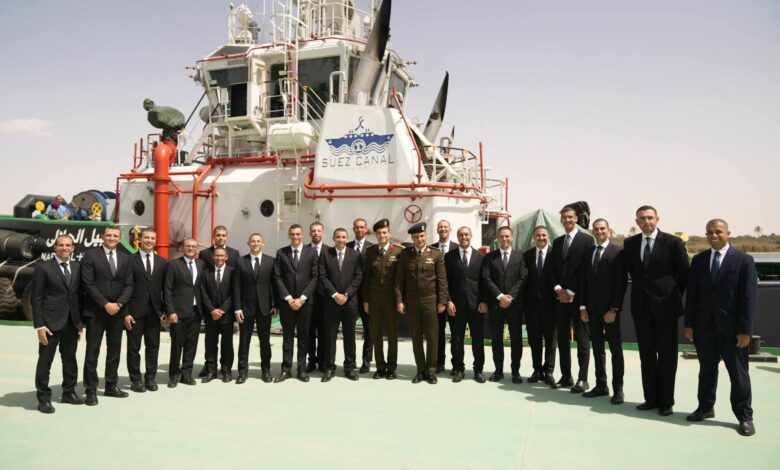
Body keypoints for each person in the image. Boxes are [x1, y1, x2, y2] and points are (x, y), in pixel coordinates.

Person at [684, 219, 757, 436]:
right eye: (709, 232)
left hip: (734, 331)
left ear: (728, 233)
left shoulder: (743, 260)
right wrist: (689, 324)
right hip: (704, 328)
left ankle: (744, 417)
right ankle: (705, 407)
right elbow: (692, 295)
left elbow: (749, 298)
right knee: (706, 371)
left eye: (718, 231)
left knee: (738, 374)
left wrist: (745, 330)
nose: (713, 235)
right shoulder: (699, 260)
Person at [623, 205, 688, 416]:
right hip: (641, 308)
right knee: (647, 355)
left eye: (650, 217)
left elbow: (684, 275)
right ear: (637, 222)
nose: (646, 221)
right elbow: (633, 273)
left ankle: (666, 401)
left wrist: (669, 296)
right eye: (642, 218)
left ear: (657, 219)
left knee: (667, 355)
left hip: (666, 308)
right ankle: (650, 398)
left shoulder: (673, 242)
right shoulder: (630, 244)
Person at [81, 226, 134, 405]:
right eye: (109, 235)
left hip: (117, 312)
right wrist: (105, 304)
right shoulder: (90, 256)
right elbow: (88, 283)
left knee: (114, 350)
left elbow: (129, 285)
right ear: (102, 237)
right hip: (96, 311)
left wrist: (119, 304)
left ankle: (111, 385)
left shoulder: (126, 258)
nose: (112, 238)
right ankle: (91, 389)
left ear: (120, 238)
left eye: (115, 236)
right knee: (92, 351)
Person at [32, 234, 84, 413]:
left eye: (68, 245)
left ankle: (69, 392)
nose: (64, 248)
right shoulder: (43, 267)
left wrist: (79, 323)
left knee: (70, 360)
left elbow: (78, 297)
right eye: (61, 245)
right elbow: (36, 298)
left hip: (71, 323)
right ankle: (43, 398)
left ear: (73, 248)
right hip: (49, 324)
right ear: (55, 247)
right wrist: (40, 326)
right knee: (45, 361)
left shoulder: (77, 267)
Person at [579, 219, 628, 404]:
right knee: (598, 349)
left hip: (610, 312)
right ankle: (601, 385)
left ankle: (618, 389)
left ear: (608, 231)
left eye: (602, 229)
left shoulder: (618, 252)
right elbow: (584, 282)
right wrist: (583, 307)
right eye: (596, 229)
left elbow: (621, 283)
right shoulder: (588, 253)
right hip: (592, 311)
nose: (599, 232)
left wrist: (613, 309)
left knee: (616, 350)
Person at [395, 222, 448, 384]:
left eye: (422, 236)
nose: (419, 239)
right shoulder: (405, 255)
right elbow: (399, 281)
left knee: (432, 336)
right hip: (412, 301)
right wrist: (399, 300)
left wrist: (442, 301)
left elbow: (442, 280)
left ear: (426, 236)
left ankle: (431, 371)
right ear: (412, 238)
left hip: (430, 300)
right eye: (416, 237)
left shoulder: (436, 254)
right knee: (416, 336)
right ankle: (420, 370)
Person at [549, 206, 594, 392]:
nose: (567, 220)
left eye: (570, 217)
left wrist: (571, 291)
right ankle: (566, 376)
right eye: (564, 217)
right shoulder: (558, 242)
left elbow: (585, 269)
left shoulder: (587, 240)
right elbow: (552, 268)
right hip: (560, 300)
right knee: (562, 339)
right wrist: (559, 290)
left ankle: (582, 379)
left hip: (579, 298)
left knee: (582, 340)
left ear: (576, 219)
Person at [124, 228, 167, 393]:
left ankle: (150, 378)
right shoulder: (129, 260)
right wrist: (125, 312)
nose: (149, 240)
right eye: (147, 237)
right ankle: (135, 379)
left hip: (155, 312)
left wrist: (164, 310)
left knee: (153, 346)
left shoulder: (162, 262)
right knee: (133, 348)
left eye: (153, 238)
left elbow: (165, 289)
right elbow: (125, 287)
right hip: (134, 312)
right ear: (140, 240)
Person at [482, 226, 527, 383]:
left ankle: (515, 372)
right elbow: (486, 278)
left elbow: (523, 278)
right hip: (496, 305)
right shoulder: (490, 257)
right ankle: (498, 371)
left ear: (512, 237)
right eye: (501, 236)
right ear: (497, 238)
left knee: (516, 339)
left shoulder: (520, 256)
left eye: (507, 236)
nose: (504, 239)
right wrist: (500, 296)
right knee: (496, 339)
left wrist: (510, 297)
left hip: (515, 305)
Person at [273, 224, 319, 382]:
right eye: (292, 234)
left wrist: (302, 298)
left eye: (298, 234)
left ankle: (301, 369)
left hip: (305, 303)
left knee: (303, 337)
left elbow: (315, 277)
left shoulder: (311, 252)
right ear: (289, 235)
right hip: (287, 303)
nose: (295, 236)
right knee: (287, 337)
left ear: (302, 234)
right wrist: (288, 298)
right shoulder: (281, 253)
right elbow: (277, 277)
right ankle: (286, 369)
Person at [318, 228, 364, 381]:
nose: (341, 239)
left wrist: (346, 294)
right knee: (330, 336)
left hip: (349, 302)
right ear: (333, 238)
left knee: (349, 336)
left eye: (343, 237)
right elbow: (323, 277)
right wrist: (335, 294)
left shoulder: (355, 255)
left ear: (347, 238)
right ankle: (329, 367)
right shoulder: (326, 254)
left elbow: (358, 277)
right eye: (338, 237)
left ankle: (349, 367)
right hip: (331, 302)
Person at [362, 219, 404, 380]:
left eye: (384, 232)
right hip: (374, 299)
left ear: (389, 234)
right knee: (376, 334)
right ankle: (380, 367)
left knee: (392, 334)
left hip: (391, 299)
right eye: (379, 233)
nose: (382, 235)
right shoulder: (370, 251)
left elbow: (400, 279)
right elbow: (367, 278)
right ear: (376, 235)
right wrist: (366, 300)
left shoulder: (398, 251)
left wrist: (400, 300)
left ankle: (391, 367)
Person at [444, 226, 487, 383]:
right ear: (457, 237)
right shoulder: (449, 256)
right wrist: (448, 300)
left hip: (476, 305)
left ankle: (478, 370)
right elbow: (445, 281)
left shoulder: (480, 257)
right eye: (461, 235)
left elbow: (484, 281)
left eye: (466, 234)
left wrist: (484, 301)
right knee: (457, 339)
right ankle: (458, 369)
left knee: (478, 339)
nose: (464, 237)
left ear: (471, 236)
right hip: (456, 305)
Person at [197, 225, 240, 378]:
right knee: (210, 342)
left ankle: (226, 369)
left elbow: (235, 287)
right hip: (210, 308)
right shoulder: (204, 254)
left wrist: (223, 309)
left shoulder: (234, 254)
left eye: (223, 235)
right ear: (213, 236)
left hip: (226, 309)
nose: (220, 237)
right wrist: (210, 309)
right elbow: (202, 286)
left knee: (227, 343)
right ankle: (210, 368)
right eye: (218, 235)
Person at [234, 233, 277, 384]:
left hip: (265, 308)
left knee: (265, 341)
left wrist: (274, 305)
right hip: (245, 308)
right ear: (248, 243)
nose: (255, 243)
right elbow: (236, 286)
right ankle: (242, 372)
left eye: (258, 241)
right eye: (253, 241)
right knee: (244, 342)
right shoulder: (240, 262)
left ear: (263, 243)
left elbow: (274, 285)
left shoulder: (271, 261)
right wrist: (237, 308)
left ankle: (266, 370)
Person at [164, 238, 205, 388]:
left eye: (193, 246)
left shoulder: (201, 264)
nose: (190, 249)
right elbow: (167, 289)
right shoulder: (173, 264)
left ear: (197, 248)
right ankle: (174, 376)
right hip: (178, 312)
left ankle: (186, 374)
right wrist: (170, 311)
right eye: (188, 246)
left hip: (196, 311)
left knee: (191, 345)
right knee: (177, 345)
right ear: (182, 248)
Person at [522, 225, 558, 388]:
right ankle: (537, 370)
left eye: (543, 235)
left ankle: (549, 371)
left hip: (551, 306)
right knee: (534, 340)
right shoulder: (527, 255)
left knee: (551, 341)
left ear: (548, 236)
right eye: (538, 235)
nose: (541, 238)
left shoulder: (555, 254)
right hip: (532, 307)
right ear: (533, 237)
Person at [346, 218, 374, 373]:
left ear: (366, 229)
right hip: (350, 294)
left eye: (362, 227)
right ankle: (350, 361)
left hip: (367, 295)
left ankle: (366, 361)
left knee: (369, 330)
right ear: (353, 229)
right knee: (349, 331)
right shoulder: (347, 246)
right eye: (356, 227)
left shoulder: (372, 248)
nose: (359, 229)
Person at [431, 220, 458, 373]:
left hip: (454, 299)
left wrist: (449, 299)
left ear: (450, 229)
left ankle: (456, 364)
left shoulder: (457, 248)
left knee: (455, 333)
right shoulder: (431, 249)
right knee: (438, 333)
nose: (443, 229)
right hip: (436, 299)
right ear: (437, 230)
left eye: (445, 227)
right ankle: (439, 362)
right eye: (440, 227)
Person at [306, 221, 329, 373]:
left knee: (323, 330)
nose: (316, 233)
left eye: (319, 231)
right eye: (313, 231)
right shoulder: (304, 250)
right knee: (309, 331)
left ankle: (322, 361)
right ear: (310, 233)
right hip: (308, 297)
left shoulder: (330, 251)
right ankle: (311, 361)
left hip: (325, 298)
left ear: (323, 232)